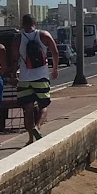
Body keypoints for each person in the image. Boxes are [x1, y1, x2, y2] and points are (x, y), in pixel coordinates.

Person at [15, 14, 60, 144]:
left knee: (27, 109)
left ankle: (30, 139)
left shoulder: (18, 38)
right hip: (41, 77)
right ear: (35, 23)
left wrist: (13, 74)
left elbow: (14, 59)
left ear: (22, 24)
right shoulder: (44, 35)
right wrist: (55, 69)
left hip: (24, 78)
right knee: (43, 105)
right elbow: (55, 52)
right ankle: (38, 126)